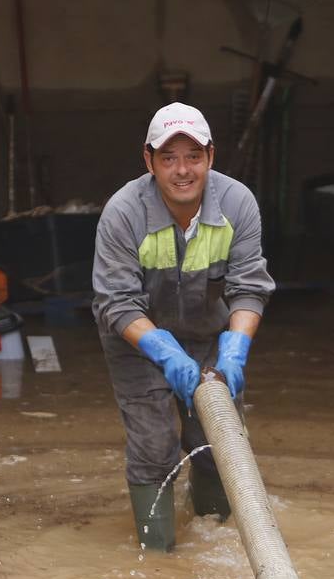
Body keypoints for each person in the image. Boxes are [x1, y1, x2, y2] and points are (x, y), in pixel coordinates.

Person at [92, 102, 274, 551]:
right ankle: (159, 556)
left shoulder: (237, 203)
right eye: (168, 158)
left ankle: (212, 541)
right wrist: (164, 351)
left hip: (213, 337)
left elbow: (249, 287)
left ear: (211, 157)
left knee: (218, 443)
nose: (182, 170)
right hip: (137, 340)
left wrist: (235, 349)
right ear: (148, 161)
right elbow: (116, 302)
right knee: (155, 446)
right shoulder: (123, 212)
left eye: (192, 156)